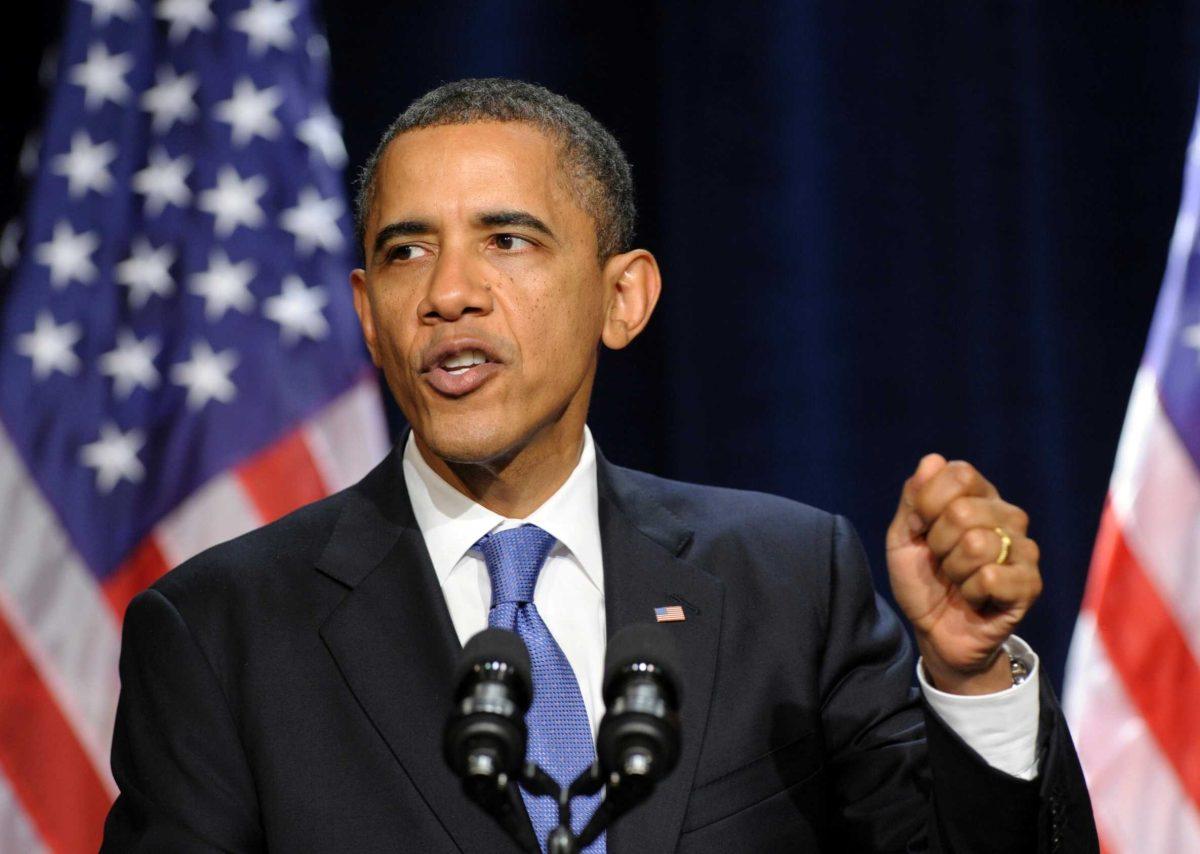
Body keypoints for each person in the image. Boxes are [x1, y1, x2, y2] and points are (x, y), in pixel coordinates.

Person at [102, 79, 1098, 853]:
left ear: (624, 297)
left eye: (506, 238)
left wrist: (969, 680)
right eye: (408, 252)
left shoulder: (792, 584)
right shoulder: (219, 634)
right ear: (366, 312)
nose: (450, 291)